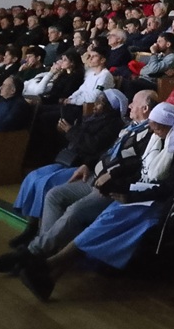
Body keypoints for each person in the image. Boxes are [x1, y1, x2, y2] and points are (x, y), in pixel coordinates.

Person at [18, 102, 174, 301]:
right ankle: (50, 277)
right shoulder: (161, 140)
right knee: (103, 222)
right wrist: (121, 186)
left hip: (163, 205)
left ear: (170, 124)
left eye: (157, 127)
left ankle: (49, 264)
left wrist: (130, 195)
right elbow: (142, 173)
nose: (153, 131)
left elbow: (170, 188)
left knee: (105, 223)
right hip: (144, 198)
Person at [0, 91, 157, 275]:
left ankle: (33, 253)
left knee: (75, 210)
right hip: (94, 176)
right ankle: (43, 252)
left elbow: (137, 166)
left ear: (145, 108)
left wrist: (111, 178)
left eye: (134, 103)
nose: (130, 106)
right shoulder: (129, 127)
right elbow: (107, 153)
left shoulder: (151, 133)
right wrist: (89, 164)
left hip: (112, 187)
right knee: (54, 194)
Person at [7, 89, 129, 245]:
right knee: (34, 176)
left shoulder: (114, 125)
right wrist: (65, 131)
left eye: (100, 103)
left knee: (47, 183)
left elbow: (93, 146)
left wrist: (71, 131)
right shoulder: (91, 117)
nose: (96, 105)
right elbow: (73, 140)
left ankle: (40, 235)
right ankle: (31, 226)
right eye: (97, 101)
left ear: (111, 107)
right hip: (69, 159)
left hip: (84, 164)